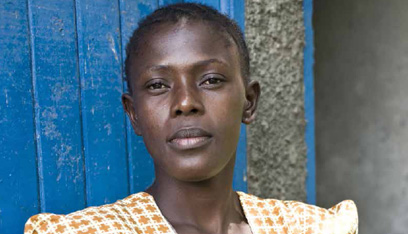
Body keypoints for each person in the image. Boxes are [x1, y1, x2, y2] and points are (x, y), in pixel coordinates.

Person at [24, 3, 358, 234]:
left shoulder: (308, 227)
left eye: (211, 79)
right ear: (134, 114)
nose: (185, 102)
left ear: (249, 102)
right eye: (157, 85)